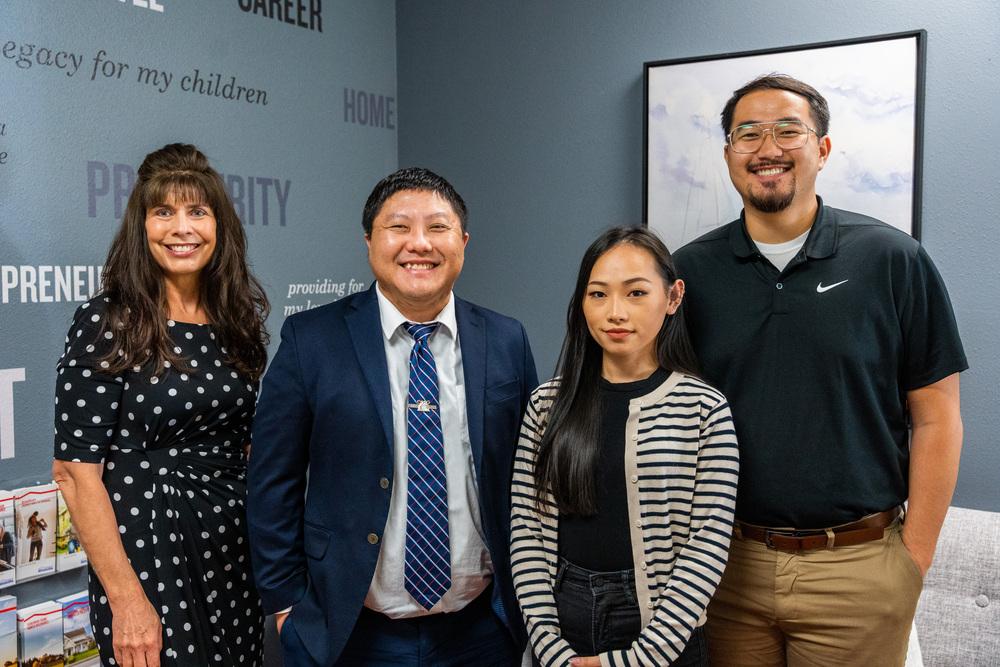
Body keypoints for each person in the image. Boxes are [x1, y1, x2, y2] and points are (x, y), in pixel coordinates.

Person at [673, 74, 967, 666]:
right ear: (729, 153)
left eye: (789, 130)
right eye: (746, 134)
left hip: (858, 565)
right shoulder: (689, 272)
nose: (767, 149)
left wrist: (914, 557)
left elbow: (937, 415)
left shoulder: (891, 259)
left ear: (823, 150)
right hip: (725, 570)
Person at [248, 167, 539, 666]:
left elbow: (532, 474)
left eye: (438, 227)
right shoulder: (312, 340)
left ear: (463, 241)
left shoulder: (505, 339)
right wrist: (284, 603)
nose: (419, 244)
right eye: (399, 227)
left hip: (482, 629)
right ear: (369, 241)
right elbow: (272, 479)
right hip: (350, 630)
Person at [52, 143, 270, 667]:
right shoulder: (109, 320)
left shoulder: (235, 321)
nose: (182, 228)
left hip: (231, 552)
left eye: (197, 211)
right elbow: (74, 474)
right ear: (140, 226)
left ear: (220, 226)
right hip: (147, 554)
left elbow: (244, 443)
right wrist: (126, 601)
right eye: (163, 212)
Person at [511, 226, 739, 667]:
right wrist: (550, 648)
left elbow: (706, 545)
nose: (615, 312)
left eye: (636, 293)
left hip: (663, 628)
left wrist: (640, 658)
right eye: (598, 295)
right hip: (563, 623)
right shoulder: (546, 404)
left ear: (672, 298)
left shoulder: (704, 409)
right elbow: (526, 532)